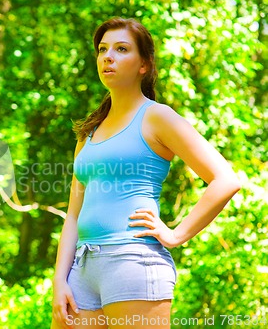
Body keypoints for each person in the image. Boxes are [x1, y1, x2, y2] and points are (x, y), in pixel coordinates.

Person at [51, 17, 241, 329]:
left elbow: (226, 180)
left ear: (144, 64)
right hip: (82, 270)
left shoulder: (157, 117)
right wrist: (60, 280)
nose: (108, 56)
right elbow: (73, 215)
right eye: (102, 49)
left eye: (121, 49)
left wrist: (176, 234)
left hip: (133, 263)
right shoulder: (88, 132)